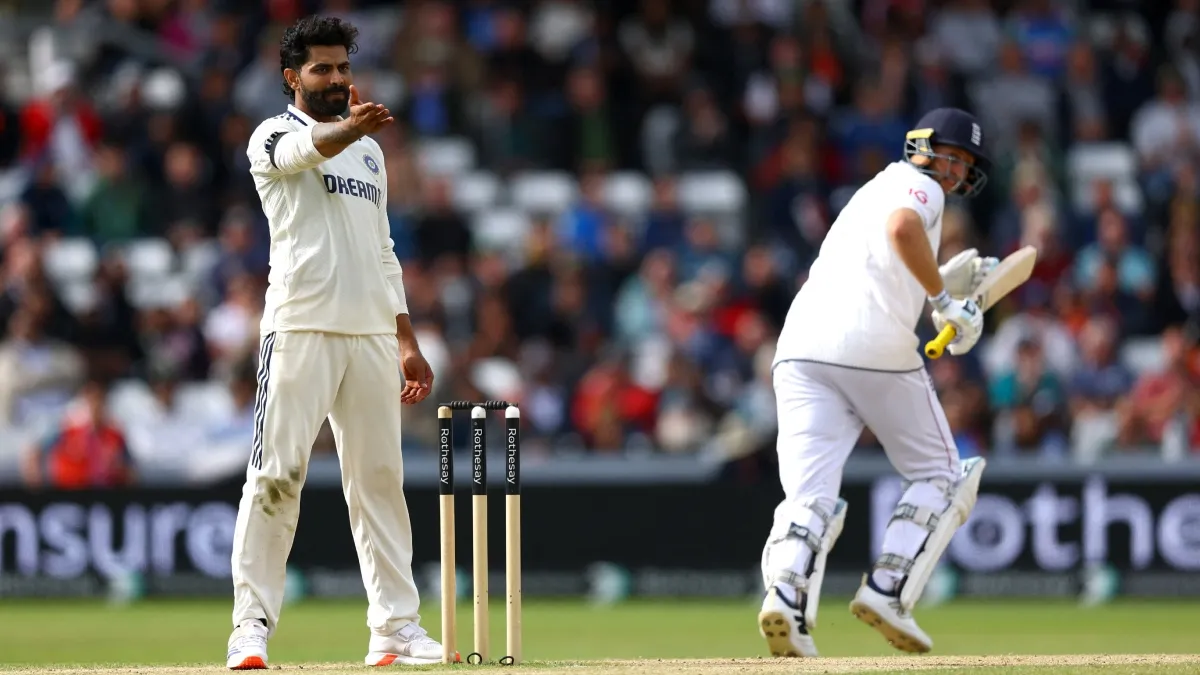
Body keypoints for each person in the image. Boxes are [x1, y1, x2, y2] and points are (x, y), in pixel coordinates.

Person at [225, 16, 440, 670]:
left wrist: (406, 338)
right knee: (275, 477)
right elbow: (304, 153)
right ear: (293, 76)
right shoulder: (272, 135)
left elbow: (382, 249)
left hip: (370, 334)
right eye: (323, 68)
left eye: (344, 67)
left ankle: (395, 628)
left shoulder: (369, 151)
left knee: (379, 481)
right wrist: (350, 128)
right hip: (299, 328)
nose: (338, 79)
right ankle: (250, 629)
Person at [758, 108, 996, 657]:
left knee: (809, 494)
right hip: (872, 348)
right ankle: (889, 589)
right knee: (944, 475)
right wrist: (945, 302)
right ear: (923, 147)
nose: (956, 171)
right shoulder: (922, 188)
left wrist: (942, 288)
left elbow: (880, 268)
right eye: (951, 157)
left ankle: (785, 599)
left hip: (799, 349)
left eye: (965, 163)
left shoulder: (870, 191)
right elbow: (903, 229)